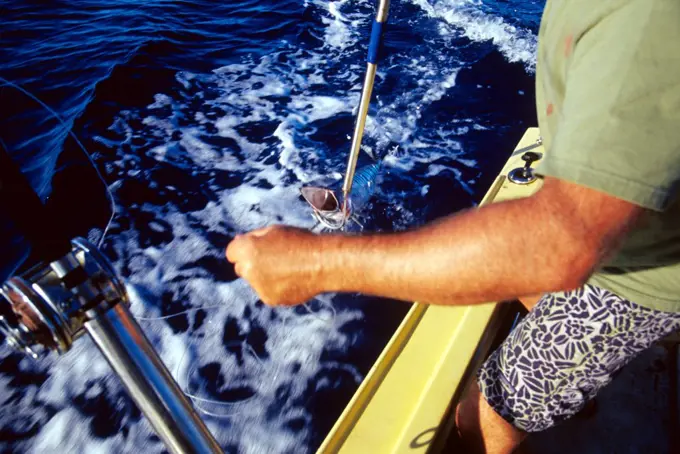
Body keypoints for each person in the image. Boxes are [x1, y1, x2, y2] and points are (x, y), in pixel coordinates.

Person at [226, 0, 680, 452]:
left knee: (482, 415)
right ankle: (583, 392)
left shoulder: (647, 19)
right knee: (515, 283)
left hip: (644, 279)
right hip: (633, 230)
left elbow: (561, 245)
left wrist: (315, 265)